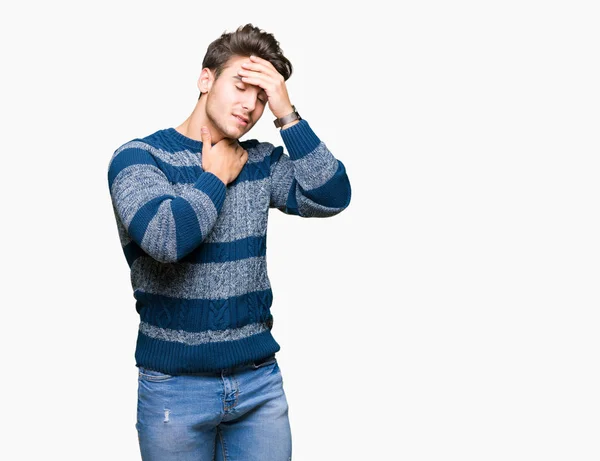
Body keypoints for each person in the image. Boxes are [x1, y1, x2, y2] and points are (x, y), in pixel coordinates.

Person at [107, 23, 351, 460]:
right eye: (242, 86)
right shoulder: (139, 158)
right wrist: (216, 175)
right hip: (175, 389)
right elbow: (166, 239)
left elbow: (332, 196)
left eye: (262, 97)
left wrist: (288, 115)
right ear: (206, 79)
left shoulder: (258, 161)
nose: (251, 105)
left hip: (258, 385)